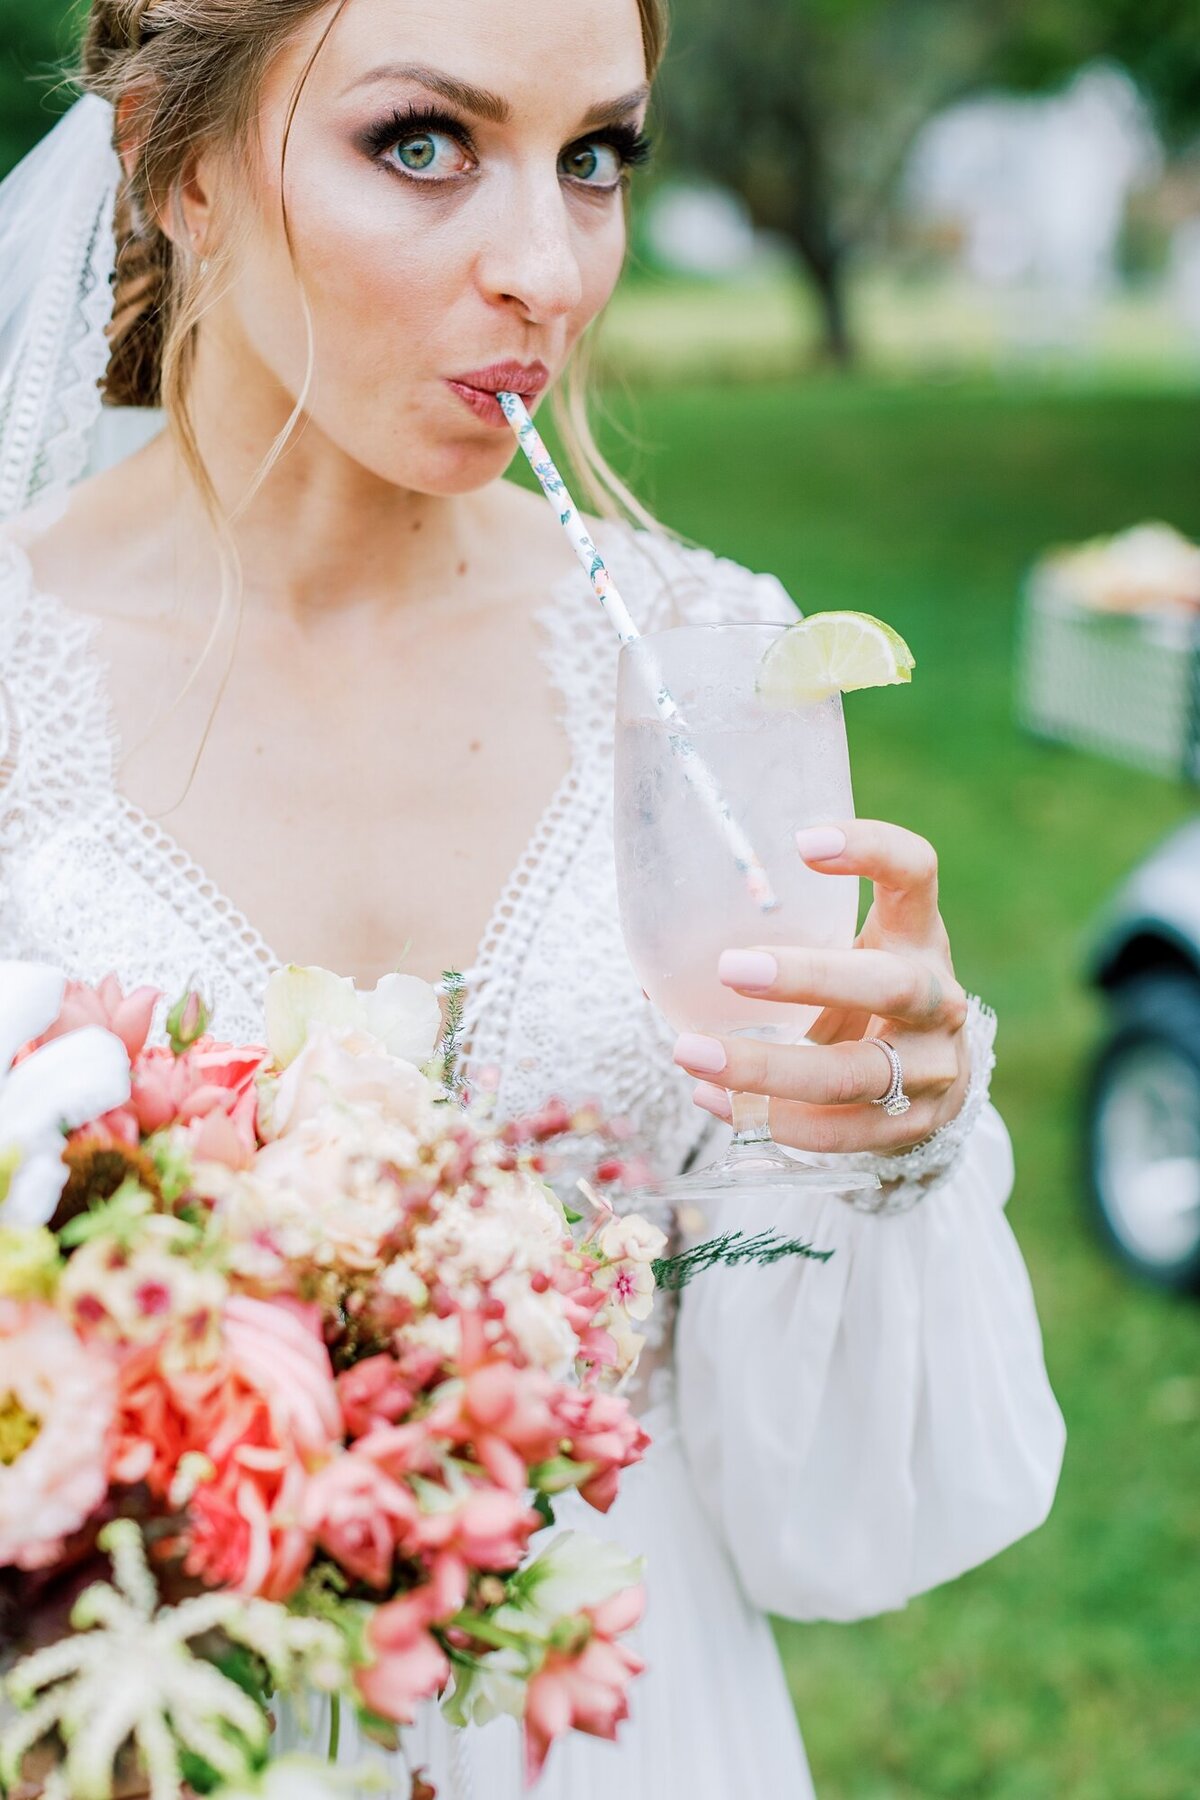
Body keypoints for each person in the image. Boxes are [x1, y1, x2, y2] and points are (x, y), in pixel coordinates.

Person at [0, 0, 1066, 1794]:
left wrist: (880, 1140)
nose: (547, 268)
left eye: (597, 157)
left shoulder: (715, 664)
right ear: (175, 167)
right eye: (422, 142)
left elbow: (803, 1488)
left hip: (626, 1717)